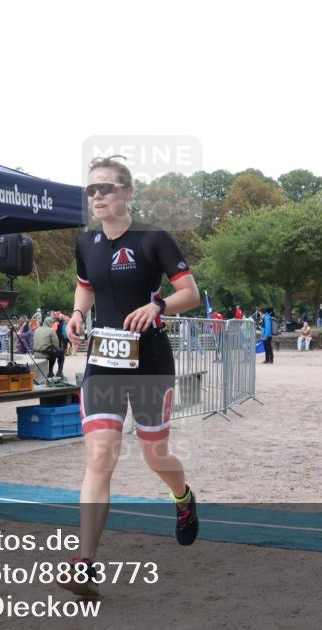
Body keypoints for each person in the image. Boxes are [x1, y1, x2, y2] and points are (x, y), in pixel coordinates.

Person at [64, 155, 201, 598]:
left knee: (154, 456)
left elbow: (190, 293)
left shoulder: (153, 239)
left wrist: (158, 306)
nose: (97, 196)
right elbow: (86, 284)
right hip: (104, 358)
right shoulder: (87, 243)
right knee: (100, 457)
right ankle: (84, 563)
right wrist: (77, 313)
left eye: (106, 188)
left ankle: (182, 497)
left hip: (150, 360)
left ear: (127, 193)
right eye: (91, 190)